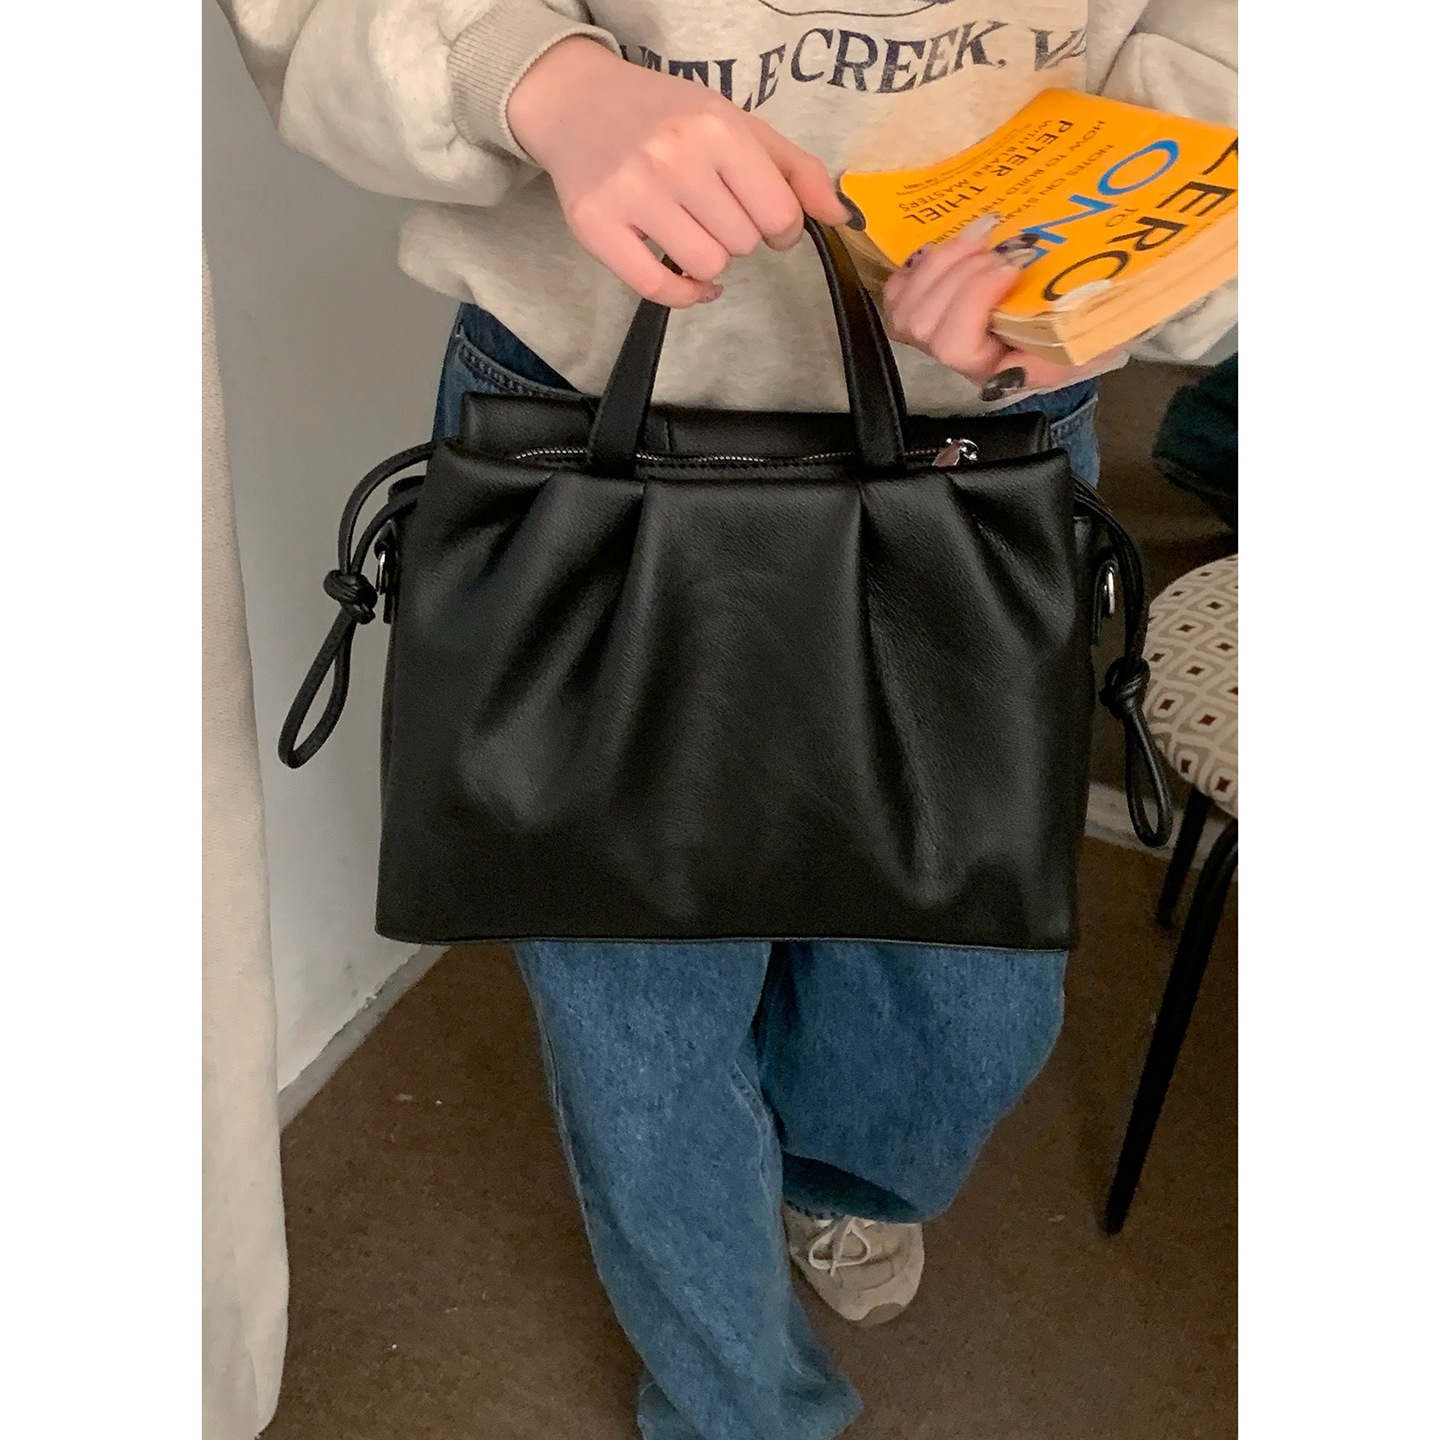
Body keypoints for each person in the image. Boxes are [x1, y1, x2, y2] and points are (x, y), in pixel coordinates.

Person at [220, 2, 1237, 1435]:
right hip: (581, 400)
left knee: (967, 1003)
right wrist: (534, 74)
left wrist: (1117, 250)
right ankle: (737, 1409)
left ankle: (825, 1175)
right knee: (639, 1032)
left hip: (992, 396)